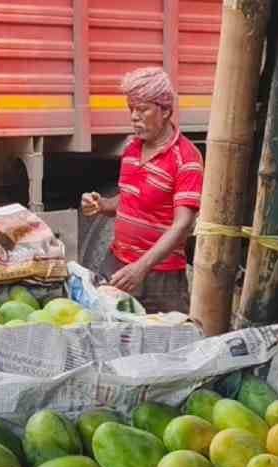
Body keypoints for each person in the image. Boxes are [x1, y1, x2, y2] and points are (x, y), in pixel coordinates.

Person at [81, 67, 202, 314]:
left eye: (142, 109)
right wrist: (102, 204)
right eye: (131, 109)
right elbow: (128, 199)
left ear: (166, 110)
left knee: (165, 345)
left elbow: (183, 225)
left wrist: (141, 267)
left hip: (160, 279)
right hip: (116, 264)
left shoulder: (186, 158)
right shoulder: (132, 148)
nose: (134, 117)